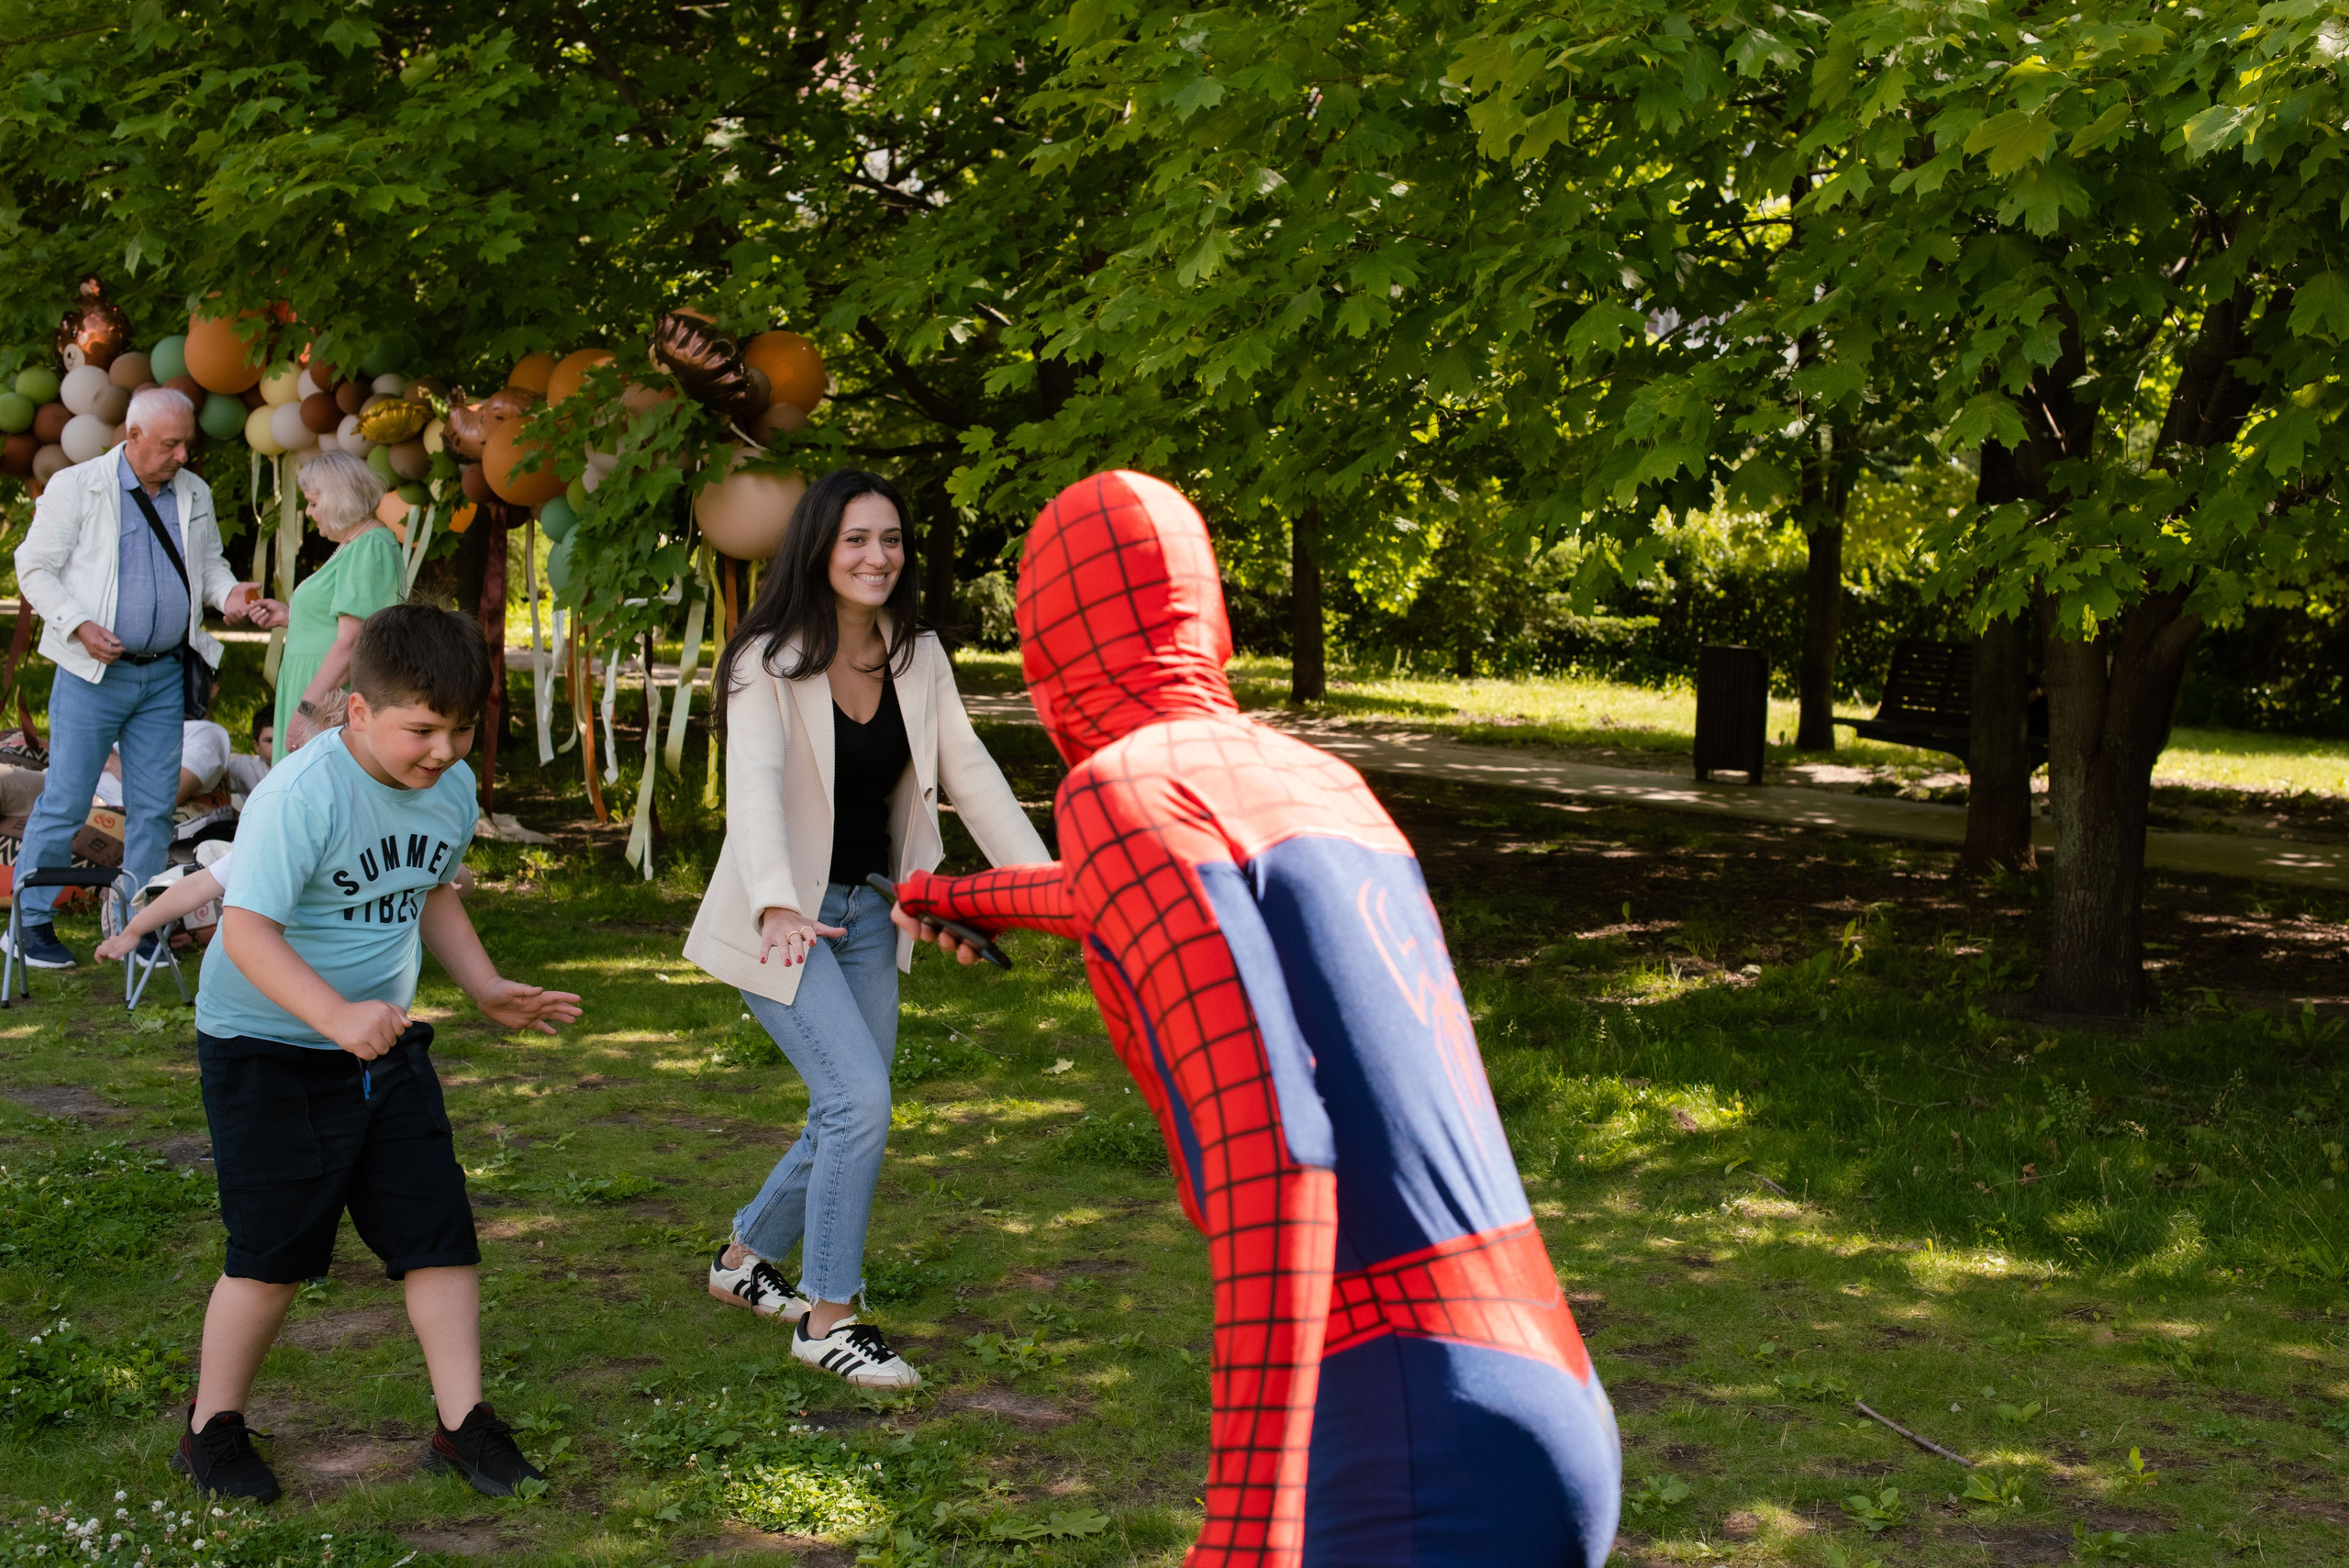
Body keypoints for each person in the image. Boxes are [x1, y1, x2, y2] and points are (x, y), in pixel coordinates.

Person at [890, 473, 1620, 1568]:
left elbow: (1277, 1154)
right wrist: (964, 895)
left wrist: (1244, 1533)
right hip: (1542, 1384)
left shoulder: (1121, 787)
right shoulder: (1315, 779)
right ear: (1204, 613)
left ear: (1044, 644)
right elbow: (1163, 903)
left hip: (1402, 1414)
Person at [177, 605, 582, 1503]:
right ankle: (211, 1429)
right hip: (267, 1048)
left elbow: (431, 889)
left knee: (438, 1231)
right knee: (272, 1253)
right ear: (359, 711)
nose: (444, 749)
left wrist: (484, 984)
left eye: (462, 728)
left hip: (382, 1042)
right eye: (422, 728)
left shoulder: (452, 788)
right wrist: (332, 1014)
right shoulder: (303, 794)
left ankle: (462, 1426)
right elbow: (245, 930)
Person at [682, 469, 1049, 1389]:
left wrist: (1048, 884)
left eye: (890, 538)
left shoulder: (917, 653)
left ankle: (741, 1260)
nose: (877, 556)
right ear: (819, 546)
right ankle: (828, 1317)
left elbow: (971, 770)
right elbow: (753, 788)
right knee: (858, 1103)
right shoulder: (764, 659)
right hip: (784, 921)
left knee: (850, 1105)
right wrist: (775, 900)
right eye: (856, 539)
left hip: (874, 913)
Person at [7, 387, 284, 970]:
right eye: (170, 444)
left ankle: (137, 927)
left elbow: (208, 569)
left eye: (187, 443)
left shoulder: (194, 490)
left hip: (163, 674)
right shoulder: (77, 485)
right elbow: (32, 567)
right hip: (91, 672)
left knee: (154, 807)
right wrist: (78, 624)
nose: (182, 455)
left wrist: (230, 594)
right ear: (133, 437)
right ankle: (28, 927)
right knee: (67, 799)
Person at [275, 450, 405, 756]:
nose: (309, 512)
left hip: (324, 699)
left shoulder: (369, 546)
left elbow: (351, 642)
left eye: (313, 503)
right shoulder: (356, 544)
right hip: (316, 688)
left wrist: (307, 710)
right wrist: (289, 617)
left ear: (338, 499)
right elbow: (337, 620)